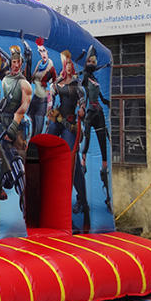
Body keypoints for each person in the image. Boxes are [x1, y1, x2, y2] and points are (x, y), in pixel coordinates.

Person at [47, 50, 89, 228]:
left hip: (70, 123)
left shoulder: (77, 84)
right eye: (67, 64)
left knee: (72, 163)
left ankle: (81, 200)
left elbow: (82, 100)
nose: (70, 66)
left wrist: (82, 109)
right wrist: (50, 104)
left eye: (71, 64)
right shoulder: (58, 82)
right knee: (47, 146)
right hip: (58, 119)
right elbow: (51, 96)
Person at [0, 45, 32, 208]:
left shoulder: (24, 83)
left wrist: (13, 127)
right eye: (14, 62)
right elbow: (3, 101)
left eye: (18, 62)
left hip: (16, 127)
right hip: (1, 123)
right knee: (0, 159)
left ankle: (25, 196)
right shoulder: (5, 80)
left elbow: (23, 107)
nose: (16, 65)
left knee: (16, 159)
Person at [80, 45, 112, 211]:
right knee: (85, 148)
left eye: (94, 61)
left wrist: (106, 101)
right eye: (90, 60)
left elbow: (98, 95)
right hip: (89, 114)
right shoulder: (85, 76)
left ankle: (107, 196)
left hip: (98, 112)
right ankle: (81, 198)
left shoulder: (94, 79)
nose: (93, 63)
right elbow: (82, 85)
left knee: (103, 149)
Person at [29, 38, 56, 136]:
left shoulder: (51, 67)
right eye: (40, 51)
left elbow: (55, 82)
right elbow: (31, 79)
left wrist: (51, 94)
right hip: (34, 98)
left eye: (44, 50)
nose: (43, 53)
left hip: (43, 100)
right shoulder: (39, 65)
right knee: (30, 126)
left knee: (38, 128)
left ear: (47, 51)